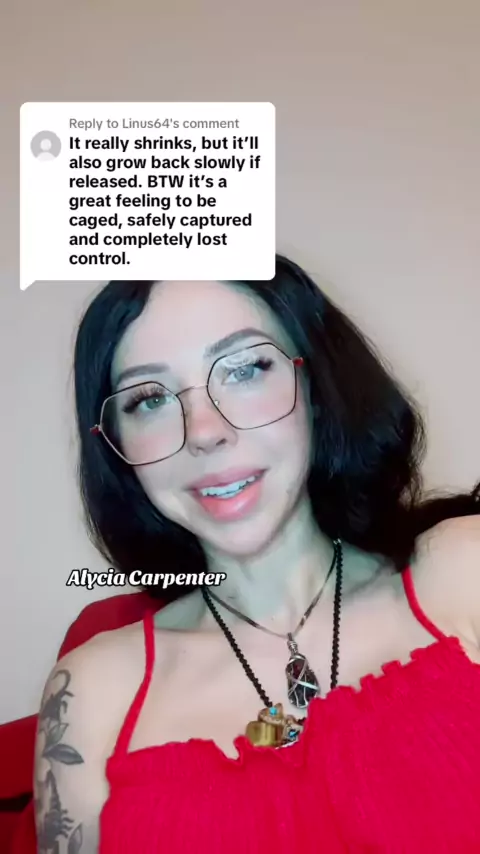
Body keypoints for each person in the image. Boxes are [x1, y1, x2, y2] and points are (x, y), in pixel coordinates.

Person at [34, 255, 480, 853]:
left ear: (316, 385)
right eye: (149, 399)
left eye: (245, 369)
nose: (204, 431)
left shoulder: (464, 567)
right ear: (115, 444)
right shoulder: (89, 692)